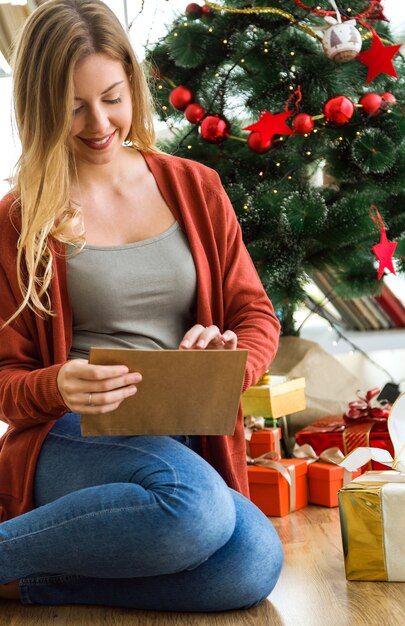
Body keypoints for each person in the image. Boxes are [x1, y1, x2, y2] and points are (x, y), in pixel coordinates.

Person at [0, 0, 283, 611]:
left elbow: (255, 315)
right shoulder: (19, 220)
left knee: (255, 561)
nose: (98, 122)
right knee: (196, 507)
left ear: (133, 83)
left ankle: (30, 578)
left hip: (179, 440)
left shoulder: (195, 187)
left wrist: (231, 356)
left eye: (111, 96)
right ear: (39, 106)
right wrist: (59, 387)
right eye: (73, 106)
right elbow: (4, 380)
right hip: (69, 438)